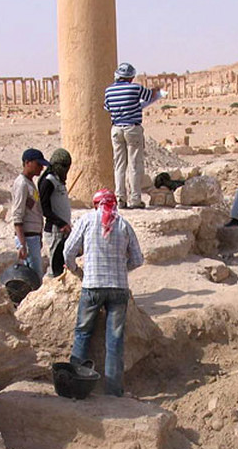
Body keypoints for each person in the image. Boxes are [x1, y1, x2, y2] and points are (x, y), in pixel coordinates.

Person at [63, 189, 145, 397]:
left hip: (92, 286)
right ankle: (113, 391)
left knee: (82, 333)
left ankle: (75, 386)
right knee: (115, 340)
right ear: (114, 204)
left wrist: (77, 270)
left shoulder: (87, 220)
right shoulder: (124, 224)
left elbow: (68, 252)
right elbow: (137, 259)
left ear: (95, 205)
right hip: (118, 289)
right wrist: (119, 269)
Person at [104, 62, 161, 209]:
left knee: (119, 165)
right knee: (135, 165)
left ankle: (120, 198)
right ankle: (135, 199)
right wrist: (156, 90)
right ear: (131, 77)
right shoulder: (135, 88)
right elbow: (150, 96)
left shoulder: (109, 90)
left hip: (116, 128)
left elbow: (107, 108)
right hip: (132, 128)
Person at [11, 148, 48, 283]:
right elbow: (17, 215)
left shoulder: (30, 183)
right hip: (27, 237)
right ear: (27, 163)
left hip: (33, 236)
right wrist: (22, 244)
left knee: (35, 276)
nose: (41, 168)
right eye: (38, 164)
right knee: (33, 278)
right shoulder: (21, 184)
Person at [39, 148, 73, 277]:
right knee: (54, 264)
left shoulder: (59, 180)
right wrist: (60, 223)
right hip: (55, 229)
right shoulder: (48, 181)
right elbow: (45, 209)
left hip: (63, 228)